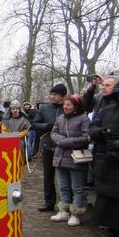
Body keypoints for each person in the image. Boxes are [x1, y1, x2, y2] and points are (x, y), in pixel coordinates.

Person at [89, 77, 119, 237]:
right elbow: (92, 127)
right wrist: (102, 132)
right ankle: (112, 226)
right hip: (107, 159)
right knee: (109, 195)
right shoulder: (107, 110)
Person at [49, 95, 90, 226]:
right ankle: (64, 211)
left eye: (68, 105)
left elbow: (86, 137)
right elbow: (53, 133)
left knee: (77, 187)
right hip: (60, 157)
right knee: (63, 186)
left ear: (75, 106)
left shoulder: (84, 118)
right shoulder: (60, 118)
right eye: (64, 105)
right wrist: (60, 140)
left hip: (76, 158)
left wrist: (64, 142)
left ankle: (75, 213)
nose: (65, 107)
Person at [32, 84, 67, 212]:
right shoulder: (44, 108)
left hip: (64, 146)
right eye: (51, 94)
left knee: (65, 176)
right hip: (47, 145)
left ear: (62, 96)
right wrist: (47, 126)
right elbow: (34, 124)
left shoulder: (67, 107)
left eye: (55, 95)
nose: (52, 96)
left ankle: (66, 203)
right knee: (48, 176)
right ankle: (49, 202)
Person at [1, 100, 32, 164]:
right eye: (13, 109)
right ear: (11, 110)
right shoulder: (6, 120)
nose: (15, 110)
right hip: (8, 142)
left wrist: (16, 135)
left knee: (20, 160)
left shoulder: (24, 120)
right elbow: (4, 131)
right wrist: (10, 136)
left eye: (17, 108)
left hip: (20, 142)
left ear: (19, 109)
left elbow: (25, 131)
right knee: (9, 161)